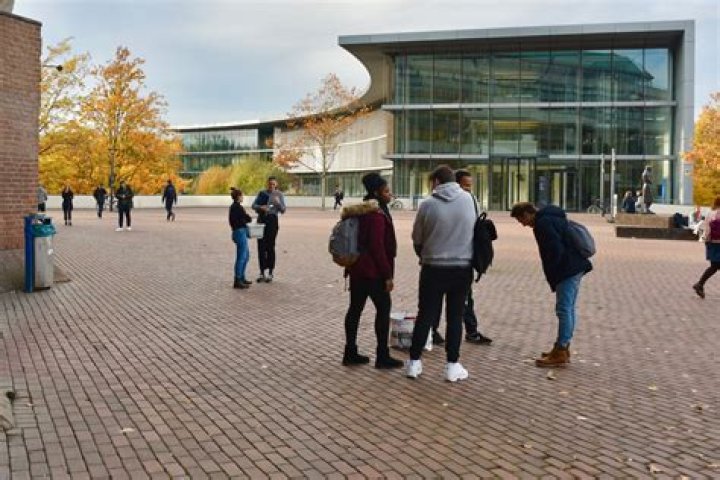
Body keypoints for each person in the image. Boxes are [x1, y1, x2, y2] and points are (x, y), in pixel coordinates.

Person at [406, 165, 476, 382]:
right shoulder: (469, 200)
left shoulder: (427, 204)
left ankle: (414, 362)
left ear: (436, 181)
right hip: (461, 267)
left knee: (425, 315)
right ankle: (452, 365)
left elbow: (417, 238)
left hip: (433, 267)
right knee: (455, 317)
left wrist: (425, 253)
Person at [510, 202, 593, 367]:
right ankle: (562, 347)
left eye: (521, 220)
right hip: (574, 266)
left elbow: (554, 250)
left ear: (527, 214)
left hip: (566, 269)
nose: (523, 224)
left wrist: (554, 270)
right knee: (568, 308)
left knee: (564, 309)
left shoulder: (543, 224)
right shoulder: (551, 217)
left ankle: (561, 350)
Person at [341, 173, 403, 369]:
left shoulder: (359, 211)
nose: (389, 194)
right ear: (376, 192)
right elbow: (377, 247)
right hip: (373, 272)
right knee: (383, 310)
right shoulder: (376, 215)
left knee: (355, 310)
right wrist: (387, 275)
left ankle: (350, 352)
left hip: (357, 269)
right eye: (386, 191)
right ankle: (382, 355)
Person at [454, 169, 493, 345]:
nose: (468, 189)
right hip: (456, 258)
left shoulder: (471, 200)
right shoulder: (458, 202)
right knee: (461, 298)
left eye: (470, 185)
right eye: (465, 185)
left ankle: (471, 330)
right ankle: (469, 331)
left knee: (465, 297)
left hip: (464, 256)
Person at [252, 176, 286, 283]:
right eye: (270, 183)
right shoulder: (262, 193)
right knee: (261, 247)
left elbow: (283, 210)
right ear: (267, 184)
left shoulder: (279, 194)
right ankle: (262, 272)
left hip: (272, 220)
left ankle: (271, 272)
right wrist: (260, 207)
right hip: (262, 220)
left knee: (270, 246)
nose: (271, 186)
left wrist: (278, 203)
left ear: (276, 184)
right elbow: (253, 205)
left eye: (273, 184)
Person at [693, 195, 720, 299]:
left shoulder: (710, 213)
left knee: (714, 266)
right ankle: (699, 284)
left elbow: (706, 228)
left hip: (711, 242)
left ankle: (700, 284)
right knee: (714, 266)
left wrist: (706, 240)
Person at [229, 188, 253, 289]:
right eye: (242, 195)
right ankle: (238, 279)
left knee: (245, 256)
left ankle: (241, 277)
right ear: (238, 197)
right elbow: (246, 218)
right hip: (239, 232)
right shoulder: (237, 207)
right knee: (242, 257)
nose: (243, 197)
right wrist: (247, 218)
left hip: (239, 232)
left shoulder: (235, 207)